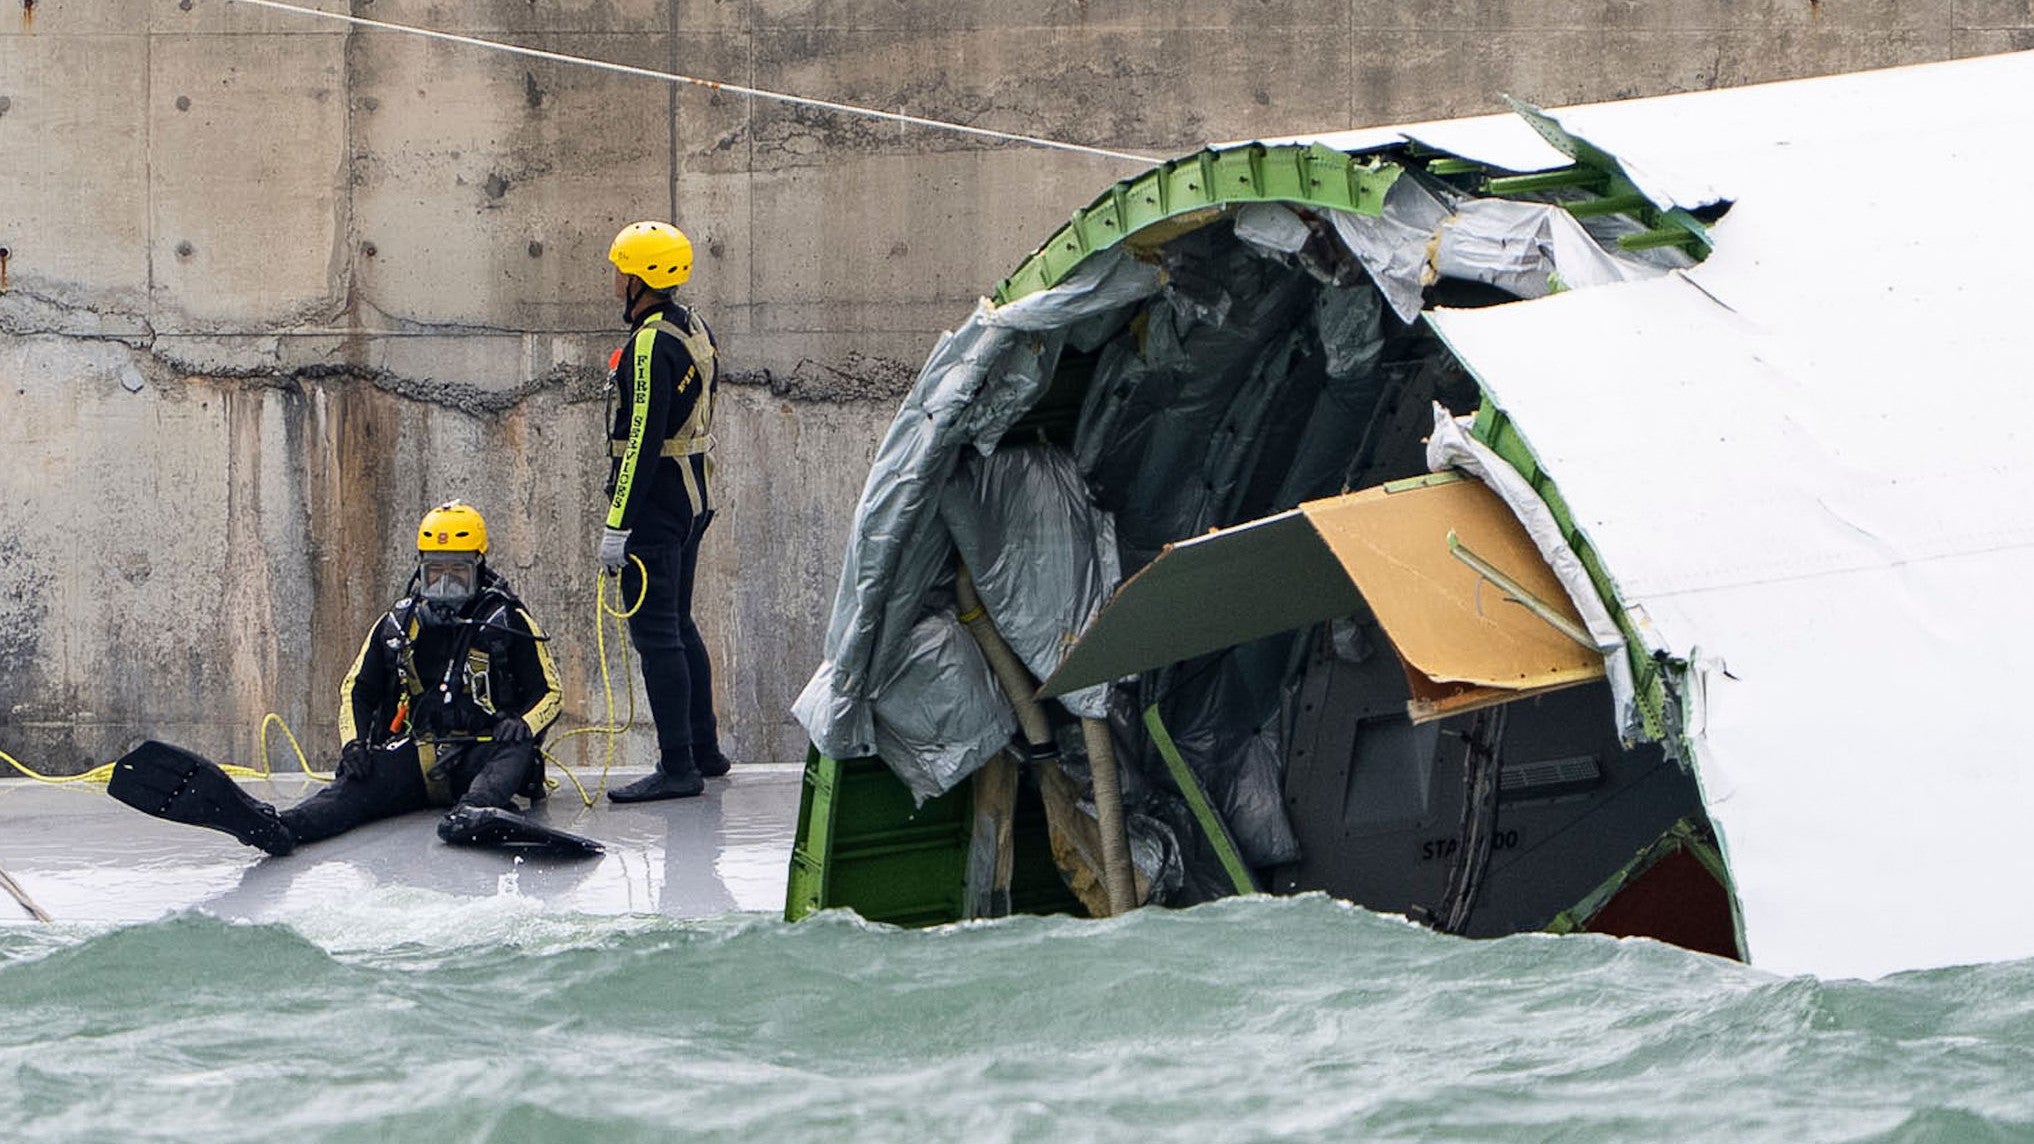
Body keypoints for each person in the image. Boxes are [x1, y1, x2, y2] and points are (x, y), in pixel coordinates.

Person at [108, 500, 596, 857]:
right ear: (420, 570)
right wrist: (354, 745)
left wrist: (524, 726)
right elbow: (356, 689)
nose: (444, 586)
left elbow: (550, 691)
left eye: (458, 574)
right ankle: (277, 826)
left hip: (483, 754)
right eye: (435, 573)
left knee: (512, 750)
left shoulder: (507, 621)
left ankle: (475, 814)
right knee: (350, 793)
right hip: (419, 757)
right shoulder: (398, 623)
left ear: (480, 569)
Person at [598, 220, 731, 802]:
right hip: (693, 495)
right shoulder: (691, 325)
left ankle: (678, 766)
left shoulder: (651, 344)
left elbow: (644, 439)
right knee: (679, 625)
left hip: (658, 506)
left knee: (657, 637)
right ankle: (705, 749)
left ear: (641, 279)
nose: (615, 281)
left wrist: (616, 524)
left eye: (621, 271)